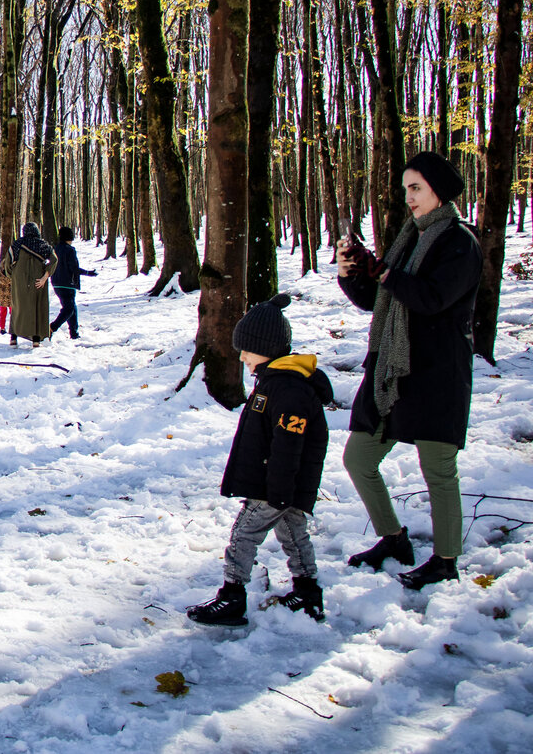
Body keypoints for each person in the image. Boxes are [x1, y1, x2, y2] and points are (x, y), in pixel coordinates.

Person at [338, 151, 482, 591]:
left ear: (439, 189)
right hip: (392, 371)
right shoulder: (410, 238)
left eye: (416, 188)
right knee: (358, 458)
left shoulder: (460, 242)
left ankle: (445, 559)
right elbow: (380, 301)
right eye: (406, 189)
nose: (409, 198)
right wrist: (354, 274)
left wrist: (383, 273)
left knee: (437, 469)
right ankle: (393, 539)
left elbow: (431, 298)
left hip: (436, 374)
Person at [187, 294, 333, 626]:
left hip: (276, 486)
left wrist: (278, 491)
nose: (242, 358)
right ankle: (307, 591)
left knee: (243, 535)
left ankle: (232, 596)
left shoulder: (289, 390)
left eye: (247, 351)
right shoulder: (274, 382)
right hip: (281, 484)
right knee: (294, 535)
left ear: (266, 348)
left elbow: (289, 446)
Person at [0, 222, 57, 348]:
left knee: (18, 307)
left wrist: (13, 275)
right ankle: (36, 340)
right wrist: (45, 276)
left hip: (19, 279)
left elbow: (8, 262)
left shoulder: (17, 244)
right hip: (38, 280)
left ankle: (13, 338)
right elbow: (54, 259)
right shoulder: (43, 245)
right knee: (36, 308)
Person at [49, 226, 97, 340]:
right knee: (69, 308)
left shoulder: (55, 249)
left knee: (71, 307)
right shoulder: (70, 250)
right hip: (67, 283)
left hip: (56, 283)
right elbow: (74, 268)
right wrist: (87, 273)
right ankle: (52, 328)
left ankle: (74, 333)